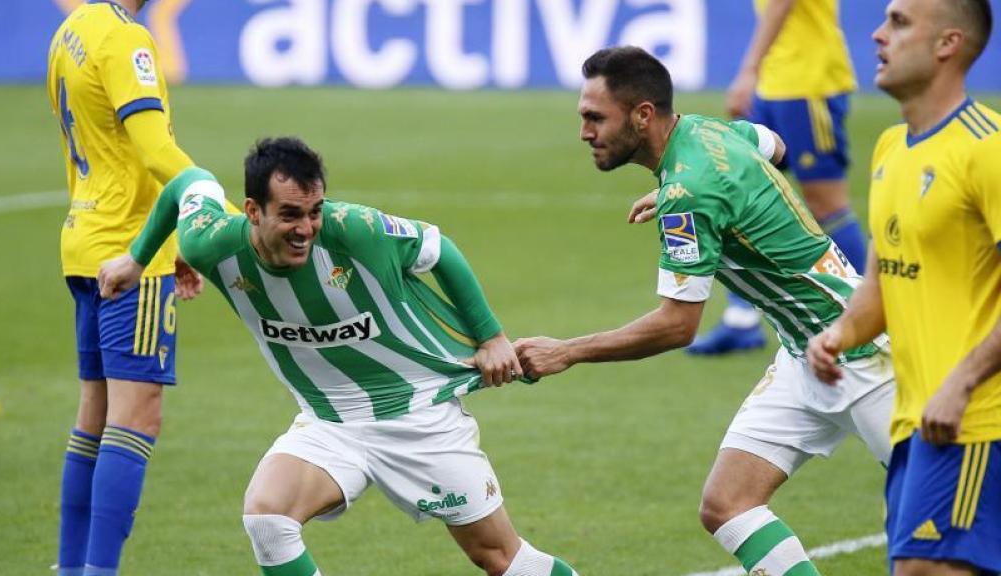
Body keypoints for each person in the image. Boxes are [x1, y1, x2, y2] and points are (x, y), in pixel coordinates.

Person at [97, 137, 579, 576]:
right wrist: (138, 258)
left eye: (314, 211)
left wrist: (491, 337)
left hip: (419, 416)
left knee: (501, 559)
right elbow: (188, 181)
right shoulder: (210, 242)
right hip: (328, 421)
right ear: (252, 210)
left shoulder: (357, 228)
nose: (305, 228)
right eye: (289, 214)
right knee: (268, 518)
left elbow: (440, 249)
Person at [514, 46, 894, 576]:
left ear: (643, 115)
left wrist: (567, 351)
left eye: (594, 117)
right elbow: (775, 145)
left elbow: (678, 325)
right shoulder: (708, 132)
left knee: (941, 522)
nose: (585, 131)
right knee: (727, 506)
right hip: (803, 353)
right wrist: (703, 198)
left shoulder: (688, 193)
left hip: (868, 358)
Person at [807, 1, 1000, 574]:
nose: (877, 34)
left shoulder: (986, 148)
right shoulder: (892, 148)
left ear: (948, 44)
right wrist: (839, 335)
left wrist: (962, 383)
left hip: (977, 419)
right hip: (917, 423)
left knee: (924, 570)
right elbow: (885, 281)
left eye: (899, 21)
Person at [47, 1, 204, 574]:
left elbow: (111, 155)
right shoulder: (126, 39)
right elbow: (155, 150)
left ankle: (72, 568)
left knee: (94, 413)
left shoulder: (72, 32)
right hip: (129, 254)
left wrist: (173, 242)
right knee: (135, 418)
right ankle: (99, 570)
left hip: (86, 239)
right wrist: (218, 211)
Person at [690, 0, 867, 355]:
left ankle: (871, 313)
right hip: (775, 84)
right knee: (736, 190)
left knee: (827, 205)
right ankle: (741, 321)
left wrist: (748, 69)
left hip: (809, 83)